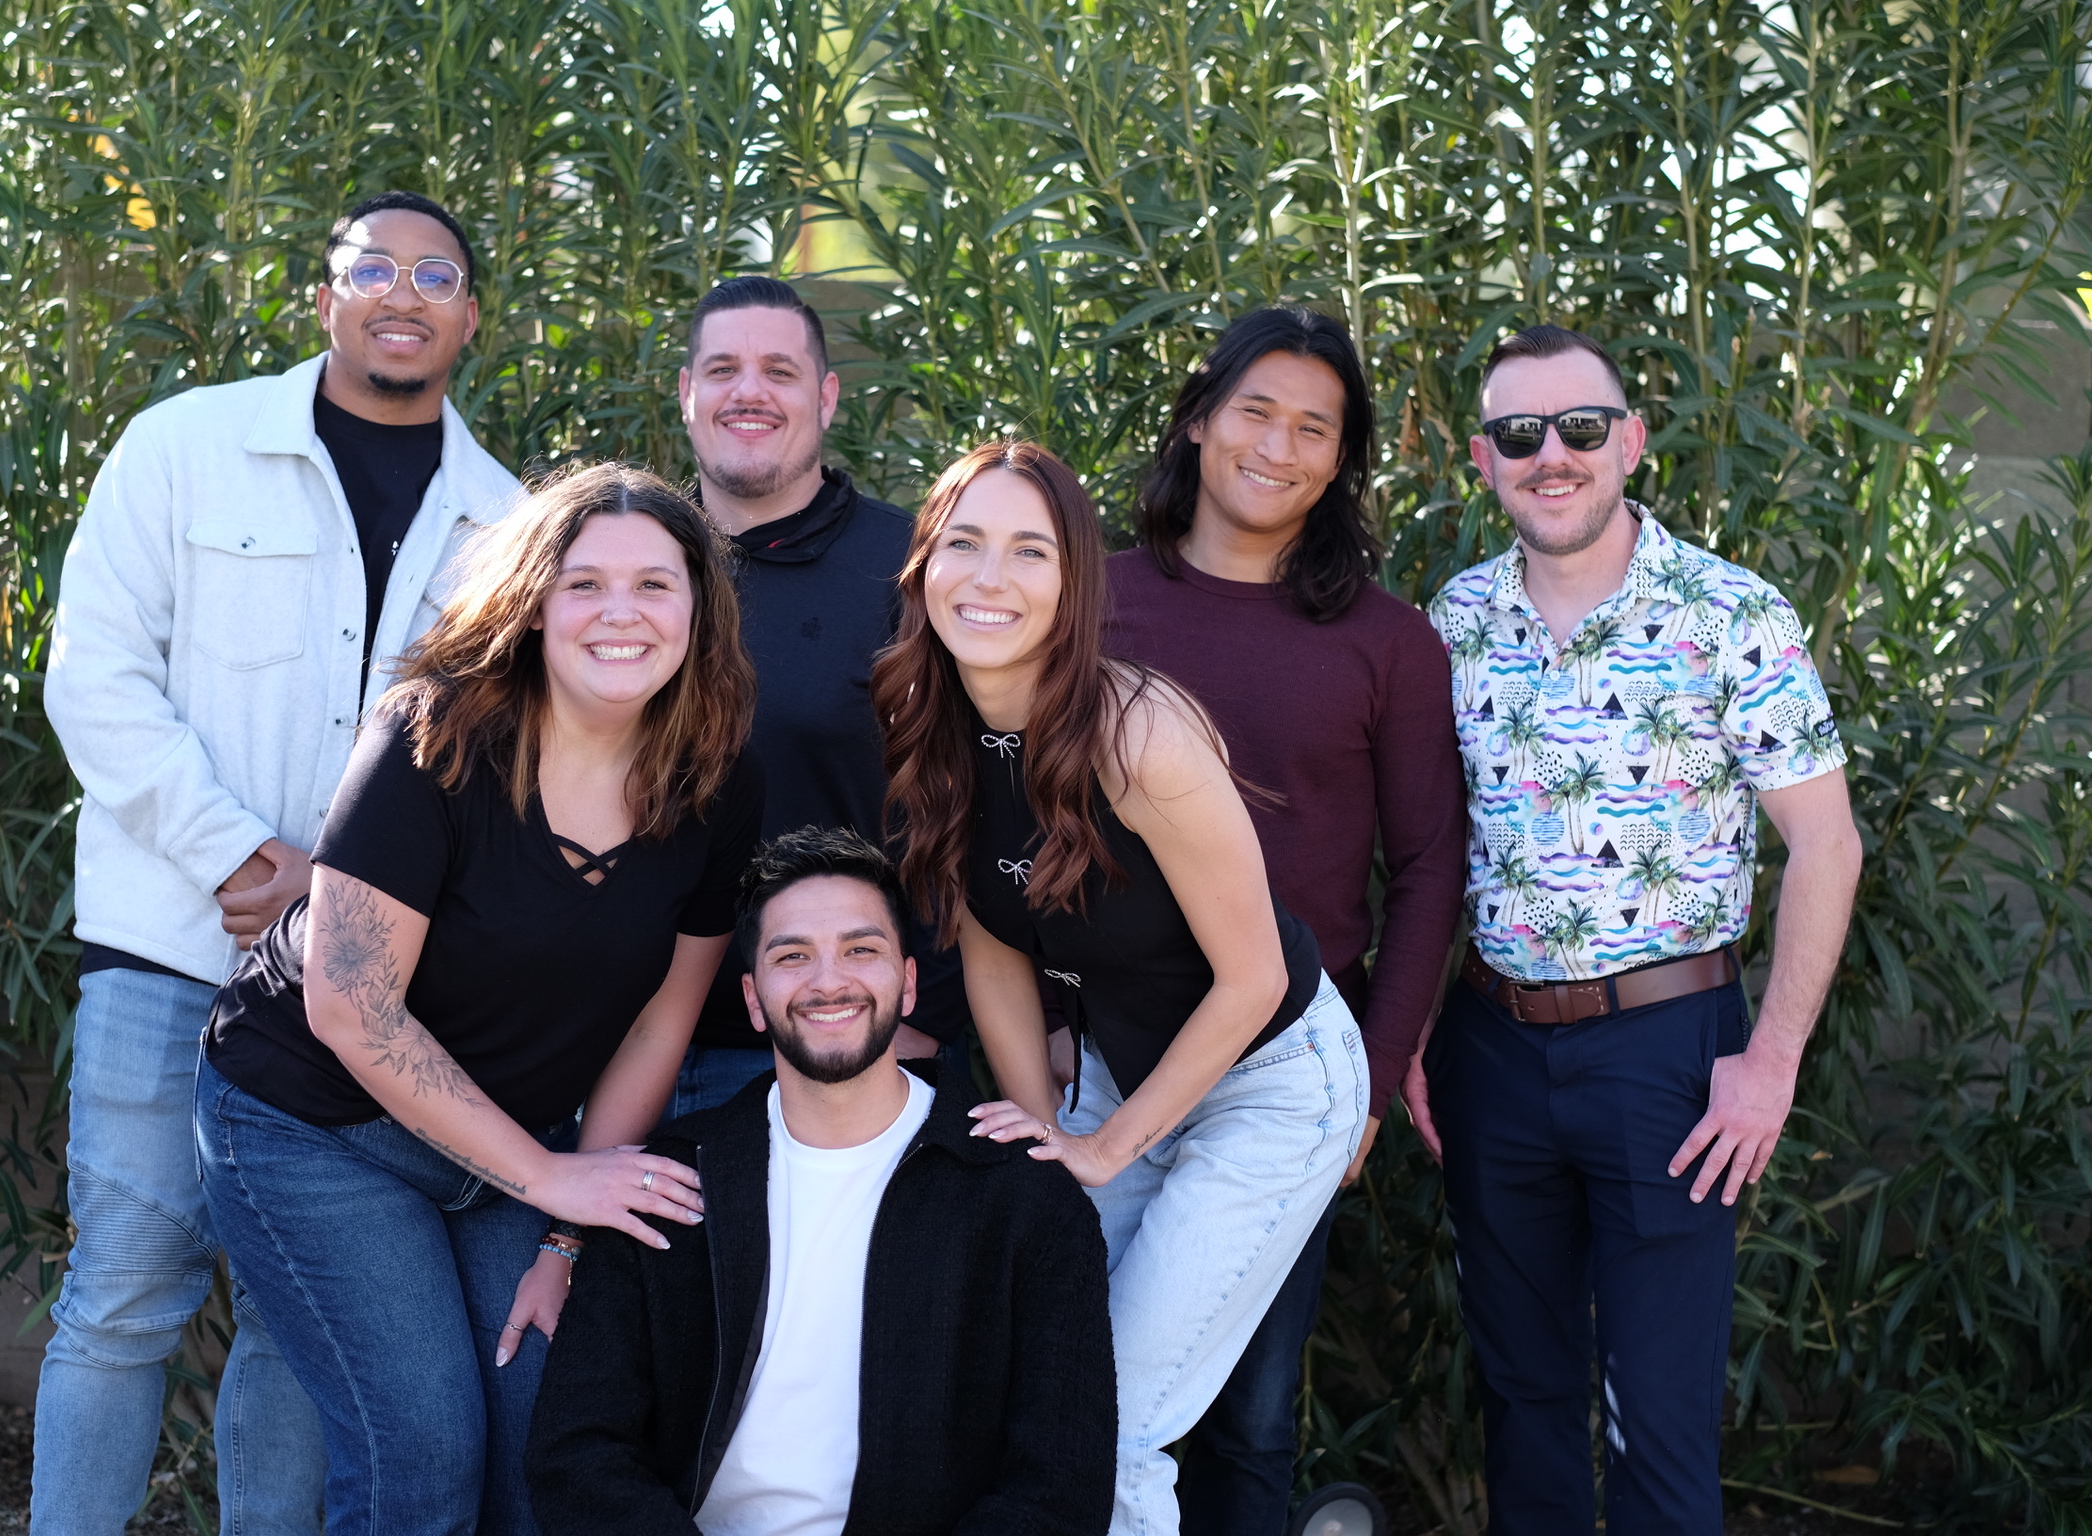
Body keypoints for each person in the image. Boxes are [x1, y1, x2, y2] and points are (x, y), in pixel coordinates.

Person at [38, 189, 520, 1536]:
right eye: (375, 268)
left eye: (437, 274)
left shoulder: (510, 525)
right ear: (324, 298)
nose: (403, 293)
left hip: (358, 997)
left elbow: (502, 764)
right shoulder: (184, 448)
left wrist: (339, 901)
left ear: (469, 317)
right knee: (123, 1301)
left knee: (300, 1333)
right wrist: (240, 853)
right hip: (169, 947)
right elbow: (95, 675)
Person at [194, 463, 761, 1536]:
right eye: (584, 583)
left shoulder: (714, 777)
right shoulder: (433, 736)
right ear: (535, 602)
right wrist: (550, 1177)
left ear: (700, 607)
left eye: (655, 585)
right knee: (422, 1452)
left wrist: (564, 1234)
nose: (620, 614)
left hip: (508, 1140)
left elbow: (662, 1017)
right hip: (316, 1125)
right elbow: (353, 1007)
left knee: (543, 1431)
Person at [871, 439, 1371, 1536]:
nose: (990, 577)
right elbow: (993, 946)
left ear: (1074, 583)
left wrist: (1102, 1150)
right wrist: (1049, 1135)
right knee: (1035, 1383)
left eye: (1029, 550)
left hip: (1272, 1081)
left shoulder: (1138, 734)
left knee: (1118, 1414)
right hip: (1118, 1067)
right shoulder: (935, 726)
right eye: (963, 544)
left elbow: (1254, 980)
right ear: (924, 568)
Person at [1414, 324, 1862, 1535]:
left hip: (1668, 1056)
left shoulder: (1730, 615)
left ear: (1632, 441)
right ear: (1483, 457)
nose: (1550, 454)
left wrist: (1768, 1067)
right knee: (1524, 1401)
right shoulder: (1451, 623)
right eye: (1519, 434)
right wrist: (1409, 1034)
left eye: (1581, 427)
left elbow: (1827, 845)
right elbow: (1422, 848)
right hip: (1492, 1050)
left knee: (1659, 1425)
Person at [1108, 306, 1467, 1534]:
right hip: (1102, 1060)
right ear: (1200, 419)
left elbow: (1426, 869)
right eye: (1257, 409)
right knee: (1082, 1387)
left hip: (1281, 1073)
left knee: (1251, 1421)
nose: (1280, 444)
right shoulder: (1088, 605)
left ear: (1341, 462)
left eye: (1317, 427)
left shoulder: (1388, 643)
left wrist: (1366, 1083)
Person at [526, 826, 1115, 1536]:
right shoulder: (671, 1180)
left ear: (908, 983)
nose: (828, 981)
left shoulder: (1019, 1194)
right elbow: (578, 1453)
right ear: (753, 998)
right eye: (792, 956)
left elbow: (1060, 1485)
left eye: (861, 950)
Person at [665, 275, 968, 1115]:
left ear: (827, 397)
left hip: (838, 1048)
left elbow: (981, 800)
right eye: (722, 369)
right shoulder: (636, 568)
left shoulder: (911, 570)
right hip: (629, 1046)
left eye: (780, 371)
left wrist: (929, 1018)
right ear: (688, 394)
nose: (749, 391)